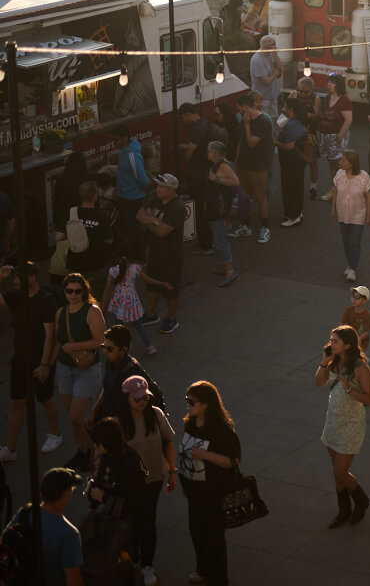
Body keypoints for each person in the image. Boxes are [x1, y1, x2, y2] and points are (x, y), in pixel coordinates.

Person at [177, 381, 241, 586]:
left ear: (205, 404)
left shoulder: (221, 430)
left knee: (213, 537)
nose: (187, 404)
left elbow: (232, 461)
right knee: (196, 532)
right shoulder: (190, 424)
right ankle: (202, 569)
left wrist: (205, 455)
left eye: (191, 402)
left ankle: (218, 578)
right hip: (193, 490)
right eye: (187, 400)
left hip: (213, 492)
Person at [0, 262, 64, 462]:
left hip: (39, 361)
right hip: (19, 360)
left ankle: (55, 435)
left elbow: (50, 335)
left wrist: (45, 365)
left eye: (19, 278)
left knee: (45, 398)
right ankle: (10, 449)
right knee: (16, 402)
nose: (16, 281)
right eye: (14, 278)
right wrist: (0, 278)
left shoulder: (45, 301)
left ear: (33, 278)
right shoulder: (17, 298)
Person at [117, 375, 176, 586]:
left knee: (148, 522)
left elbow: (169, 442)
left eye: (145, 398)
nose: (142, 402)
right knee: (130, 521)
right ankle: (132, 559)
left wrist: (172, 471)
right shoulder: (119, 423)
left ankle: (147, 565)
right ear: (126, 400)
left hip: (154, 477)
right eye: (137, 399)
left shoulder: (156, 414)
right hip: (128, 482)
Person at [315, 325, 370, 528]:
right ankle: (344, 510)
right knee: (336, 470)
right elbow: (319, 383)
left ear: (348, 345)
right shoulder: (333, 361)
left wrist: (348, 387)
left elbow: (369, 399)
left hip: (351, 424)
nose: (331, 343)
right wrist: (324, 362)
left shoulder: (361, 369)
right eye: (331, 339)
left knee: (340, 471)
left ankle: (361, 499)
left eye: (336, 341)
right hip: (333, 421)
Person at [86, 417, 149, 580]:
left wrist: (104, 496)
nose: (96, 447)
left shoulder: (130, 461)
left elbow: (135, 497)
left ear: (107, 442)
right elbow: (102, 481)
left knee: (122, 564)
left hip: (125, 526)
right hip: (107, 521)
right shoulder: (107, 456)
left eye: (98, 443)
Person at [54, 273, 105, 471]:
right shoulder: (61, 312)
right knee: (76, 420)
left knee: (76, 417)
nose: (73, 295)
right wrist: (45, 364)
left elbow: (100, 341)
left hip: (87, 370)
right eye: (69, 291)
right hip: (64, 368)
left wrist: (73, 347)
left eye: (77, 291)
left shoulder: (92, 311)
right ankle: (82, 451)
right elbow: (57, 341)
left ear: (84, 292)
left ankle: (94, 451)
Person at [136, 173, 186, 334]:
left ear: (171, 190)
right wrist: (154, 221)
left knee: (171, 289)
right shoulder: (156, 199)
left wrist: (150, 220)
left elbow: (163, 232)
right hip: (155, 253)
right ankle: (151, 314)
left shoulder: (177, 207)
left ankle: (171, 318)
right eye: (158, 186)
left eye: (162, 187)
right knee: (152, 284)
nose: (158, 189)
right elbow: (139, 215)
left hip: (172, 256)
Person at [89, 324, 156, 423]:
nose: (105, 352)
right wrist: (94, 413)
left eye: (110, 349)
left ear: (124, 349)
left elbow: (137, 406)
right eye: (104, 347)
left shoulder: (132, 373)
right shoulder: (111, 361)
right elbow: (107, 389)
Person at [231, 92, 273, 243]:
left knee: (261, 198)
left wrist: (248, 125)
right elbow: (242, 142)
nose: (238, 110)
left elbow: (251, 142)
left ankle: (264, 228)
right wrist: (237, 162)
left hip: (258, 166)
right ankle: (246, 226)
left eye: (239, 108)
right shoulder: (243, 120)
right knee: (245, 198)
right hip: (244, 165)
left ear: (245, 107)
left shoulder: (263, 122)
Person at [34, 467, 85, 586]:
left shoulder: (26, 512)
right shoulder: (69, 534)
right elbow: (73, 581)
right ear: (65, 495)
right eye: (72, 489)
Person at [330, 150, 370, 283]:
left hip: (358, 214)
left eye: (343, 160)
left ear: (351, 163)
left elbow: (368, 196)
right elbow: (335, 192)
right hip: (343, 213)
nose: (340, 162)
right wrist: (333, 210)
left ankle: (353, 268)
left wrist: (369, 215)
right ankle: (350, 264)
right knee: (346, 241)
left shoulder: (363, 176)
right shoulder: (339, 174)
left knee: (354, 242)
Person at [178, 104, 214, 255]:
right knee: (201, 209)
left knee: (199, 211)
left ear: (187, 114)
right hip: (204, 171)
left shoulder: (197, 129)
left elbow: (190, 153)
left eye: (182, 118)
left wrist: (185, 151)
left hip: (198, 174)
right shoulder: (205, 124)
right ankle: (206, 241)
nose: (182, 121)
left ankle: (205, 245)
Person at [204, 141, 240, 287]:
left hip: (221, 210)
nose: (207, 153)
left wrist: (216, 178)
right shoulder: (218, 164)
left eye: (208, 150)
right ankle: (224, 266)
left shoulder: (223, 166)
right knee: (218, 238)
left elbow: (236, 182)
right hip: (217, 209)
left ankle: (229, 271)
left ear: (214, 153)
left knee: (220, 240)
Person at [112, 124, 149, 259]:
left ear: (125, 138)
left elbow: (141, 177)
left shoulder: (132, 154)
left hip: (133, 199)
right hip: (124, 196)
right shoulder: (124, 151)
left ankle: (140, 258)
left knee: (135, 229)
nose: (114, 143)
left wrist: (137, 190)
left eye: (116, 140)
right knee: (129, 229)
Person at [317, 74, 355, 201]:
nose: (329, 84)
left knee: (339, 165)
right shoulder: (327, 98)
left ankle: (343, 191)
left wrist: (340, 136)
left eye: (332, 82)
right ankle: (335, 189)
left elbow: (348, 120)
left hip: (336, 138)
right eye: (328, 82)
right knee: (332, 165)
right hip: (325, 137)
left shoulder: (344, 100)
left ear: (338, 84)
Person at [274, 97, 309, 228]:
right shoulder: (297, 122)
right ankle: (297, 213)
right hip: (297, 162)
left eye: (285, 106)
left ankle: (293, 215)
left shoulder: (291, 125)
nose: (283, 109)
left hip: (291, 162)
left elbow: (289, 146)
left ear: (291, 110)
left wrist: (276, 142)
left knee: (290, 188)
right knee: (297, 187)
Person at [292, 79, 322, 199]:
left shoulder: (316, 98)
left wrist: (299, 113)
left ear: (311, 90)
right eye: (301, 91)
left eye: (306, 92)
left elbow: (315, 117)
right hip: (295, 132)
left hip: (310, 133)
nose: (303, 94)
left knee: (312, 161)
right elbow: (285, 111)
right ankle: (296, 185)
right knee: (296, 161)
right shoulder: (293, 95)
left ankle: (313, 186)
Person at [249, 36, 282, 118]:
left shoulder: (271, 55)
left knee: (274, 118)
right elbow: (266, 81)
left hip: (272, 95)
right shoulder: (257, 60)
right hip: (262, 98)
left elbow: (282, 68)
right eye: (274, 45)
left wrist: (276, 55)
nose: (276, 47)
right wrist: (276, 73)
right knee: (264, 119)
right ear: (270, 47)